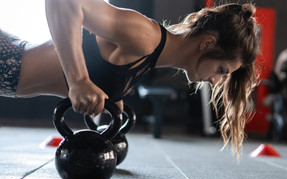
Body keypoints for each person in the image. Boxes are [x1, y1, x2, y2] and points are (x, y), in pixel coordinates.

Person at [0, 0, 259, 157]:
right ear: (208, 43)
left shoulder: (148, 59)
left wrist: (115, 100)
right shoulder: (146, 36)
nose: (216, 81)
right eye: (222, 70)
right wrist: (78, 80)